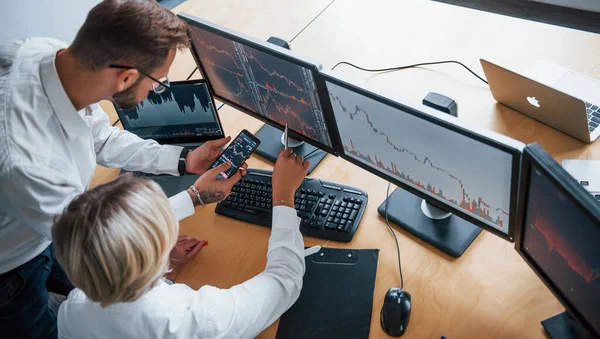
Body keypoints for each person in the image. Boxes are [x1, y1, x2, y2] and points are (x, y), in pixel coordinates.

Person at [0, 1, 244, 337]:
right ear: (126, 77)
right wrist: (192, 201)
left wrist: (183, 160)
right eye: (158, 81)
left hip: (50, 222)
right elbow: (96, 240)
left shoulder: (53, 56)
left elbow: (99, 137)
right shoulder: (29, 162)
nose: (156, 89)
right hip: (12, 267)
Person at [53, 148, 316, 339]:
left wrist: (158, 273)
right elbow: (285, 280)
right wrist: (283, 196)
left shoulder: (73, 310)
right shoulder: (200, 320)